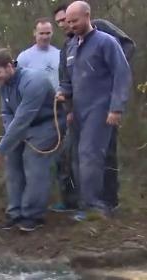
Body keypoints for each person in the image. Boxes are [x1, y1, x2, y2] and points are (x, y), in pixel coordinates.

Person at [53, 2, 136, 214]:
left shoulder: (106, 42)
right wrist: (64, 94)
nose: (71, 25)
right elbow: (68, 80)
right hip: (78, 111)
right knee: (76, 157)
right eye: (68, 22)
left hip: (100, 109)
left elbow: (122, 74)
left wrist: (116, 108)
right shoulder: (70, 47)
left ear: (88, 16)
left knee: (91, 155)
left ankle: (95, 207)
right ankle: (86, 203)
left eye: (75, 20)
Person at [0, 49, 60, 232]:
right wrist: (7, 145)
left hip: (46, 125)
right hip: (21, 127)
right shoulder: (3, 84)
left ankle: (32, 215)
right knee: (13, 165)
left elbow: (22, 119)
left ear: (10, 66)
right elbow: (7, 113)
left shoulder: (34, 81)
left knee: (34, 165)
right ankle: (15, 213)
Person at [17, 17, 77, 213]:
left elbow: (67, 81)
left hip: (57, 109)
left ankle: (67, 200)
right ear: (34, 33)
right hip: (33, 114)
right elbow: (17, 85)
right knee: (32, 160)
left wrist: (68, 107)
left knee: (63, 158)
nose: (44, 36)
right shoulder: (24, 57)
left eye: (48, 33)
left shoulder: (60, 54)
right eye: (41, 33)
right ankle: (31, 201)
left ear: (52, 33)